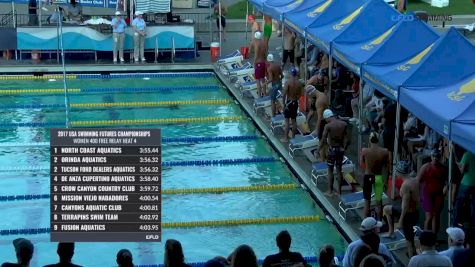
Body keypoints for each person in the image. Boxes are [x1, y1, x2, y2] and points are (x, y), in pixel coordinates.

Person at [382, 174, 419, 257]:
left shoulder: (405, 185)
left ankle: (411, 260)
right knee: (386, 209)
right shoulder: (414, 181)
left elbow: (405, 207)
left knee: (408, 241)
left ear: (399, 173)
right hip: (415, 212)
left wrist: (400, 221)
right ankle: (391, 232)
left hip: (408, 214)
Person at [361, 132, 391, 219]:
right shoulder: (385, 152)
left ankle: (365, 222)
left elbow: (362, 163)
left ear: (370, 140)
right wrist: (385, 182)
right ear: (378, 140)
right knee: (379, 201)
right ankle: (380, 221)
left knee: (367, 202)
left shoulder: (365, 151)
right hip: (378, 178)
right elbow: (387, 168)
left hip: (368, 177)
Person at [418, 149, 448, 235]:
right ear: (431, 157)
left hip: (438, 194)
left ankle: (434, 237)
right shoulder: (426, 167)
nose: (435, 158)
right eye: (434, 156)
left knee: (436, 215)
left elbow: (447, 182)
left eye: (437, 157)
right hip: (427, 194)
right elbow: (418, 181)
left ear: (440, 158)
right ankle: (425, 236)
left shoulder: (443, 168)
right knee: (429, 216)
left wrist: (445, 189)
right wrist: (419, 194)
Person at [320, 109, 348, 196]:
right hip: (340, 150)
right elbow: (347, 139)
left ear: (327, 117)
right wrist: (344, 148)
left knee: (330, 170)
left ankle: (330, 191)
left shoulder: (328, 126)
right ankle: (339, 192)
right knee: (339, 170)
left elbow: (323, 139)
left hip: (332, 150)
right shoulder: (343, 124)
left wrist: (318, 150)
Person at [281, 67, 303, 143]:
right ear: (296, 74)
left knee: (287, 121)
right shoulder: (299, 83)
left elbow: (284, 94)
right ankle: (293, 138)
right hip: (295, 102)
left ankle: (286, 138)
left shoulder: (288, 82)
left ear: (290, 74)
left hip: (289, 103)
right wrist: (296, 99)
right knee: (294, 121)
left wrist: (283, 104)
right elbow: (300, 94)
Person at [454, 151, 475, 228]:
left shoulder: (467, 154)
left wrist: (458, 164)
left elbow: (461, 171)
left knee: (459, 204)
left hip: (466, 183)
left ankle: (455, 224)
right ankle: (473, 226)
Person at [252, 31, 268, 97]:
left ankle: (259, 96)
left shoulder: (257, 44)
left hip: (258, 63)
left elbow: (256, 54)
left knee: (258, 80)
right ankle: (264, 94)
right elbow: (266, 53)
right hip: (263, 62)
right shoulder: (264, 43)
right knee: (263, 79)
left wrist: (254, 62)